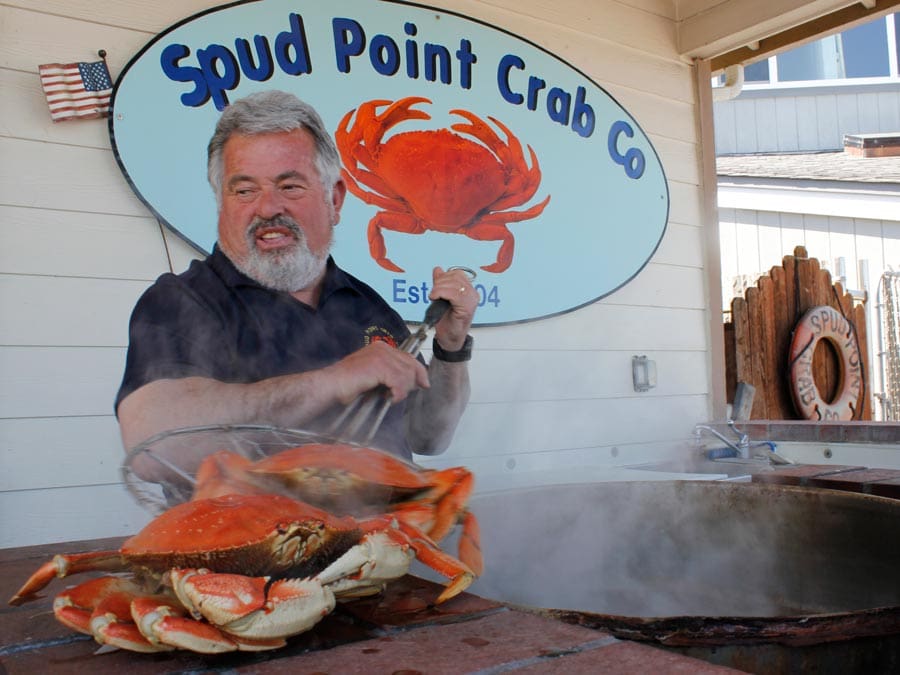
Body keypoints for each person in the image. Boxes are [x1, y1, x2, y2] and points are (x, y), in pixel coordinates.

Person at [116, 90, 477, 478]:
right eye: (244, 190)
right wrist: (332, 381)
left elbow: (428, 437)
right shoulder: (182, 301)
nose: (268, 207)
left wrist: (451, 347)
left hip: (385, 534)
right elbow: (149, 446)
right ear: (221, 202)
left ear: (334, 200)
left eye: (289, 186)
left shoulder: (367, 306)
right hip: (247, 536)